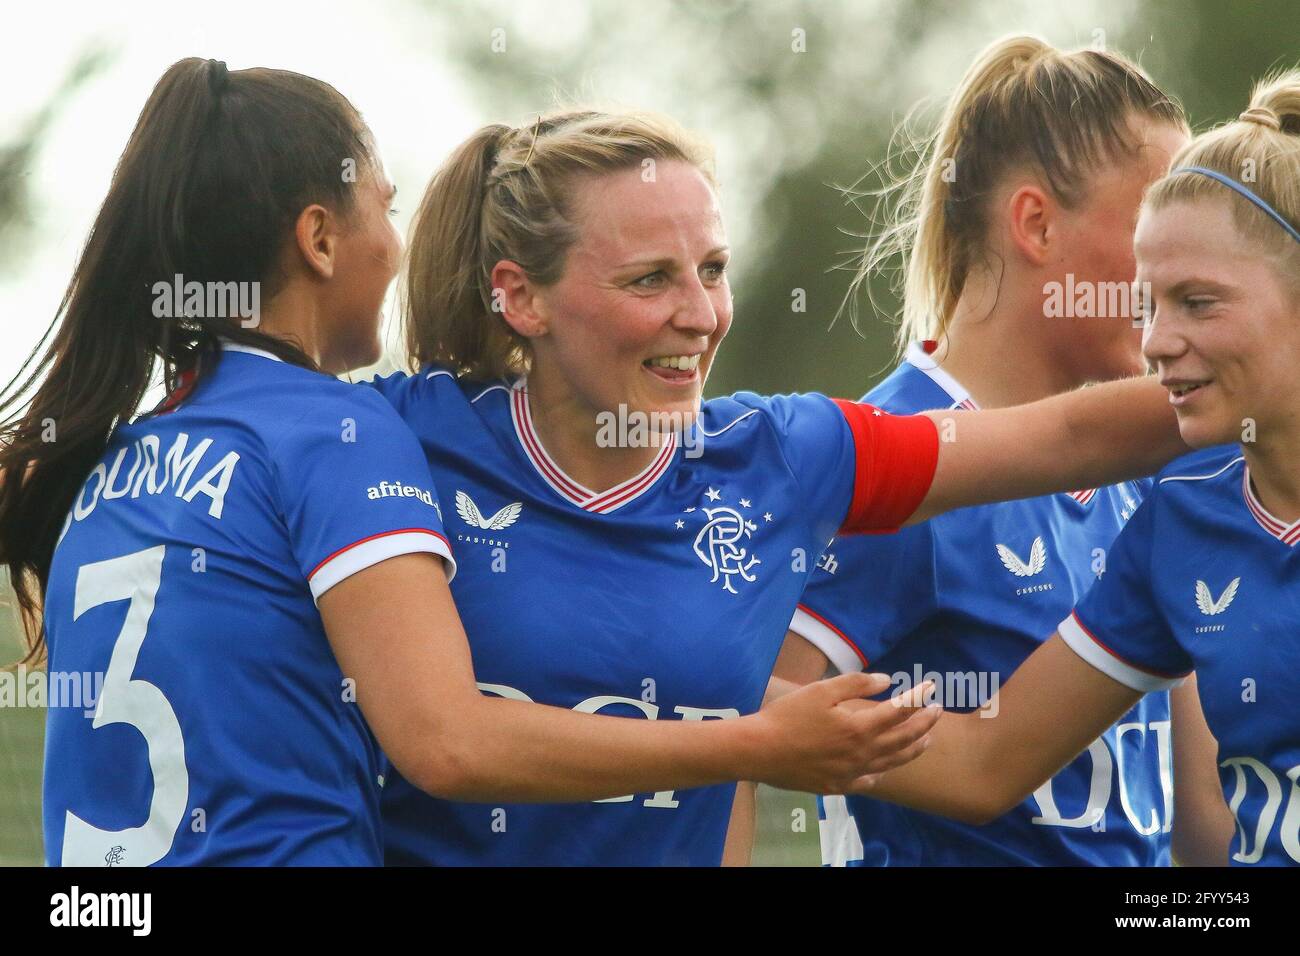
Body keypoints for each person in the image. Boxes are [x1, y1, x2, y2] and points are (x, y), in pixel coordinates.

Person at [0, 59, 944, 867]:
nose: (404, 245)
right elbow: (447, 741)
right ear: (320, 239)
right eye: (386, 206)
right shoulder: (337, 432)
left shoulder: (114, 455)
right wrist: (753, 738)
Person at [371, 104, 1190, 865]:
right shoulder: (397, 440)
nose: (701, 314)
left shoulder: (782, 456)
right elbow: (447, 746)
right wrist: (753, 740)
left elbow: (1066, 436)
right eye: (649, 279)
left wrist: (1259, 374)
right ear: (519, 297)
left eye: (714, 269)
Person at [755, 36, 1198, 866]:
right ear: (1035, 223)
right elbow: (749, 721)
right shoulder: (889, 467)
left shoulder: (1140, 472)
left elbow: (1192, 813)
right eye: (1152, 230)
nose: (1177, 268)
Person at [842, 71, 1300, 867]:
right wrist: (744, 729)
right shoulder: (1189, 517)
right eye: (1149, 299)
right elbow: (989, 762)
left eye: (1196, 301)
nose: (1154, 337)